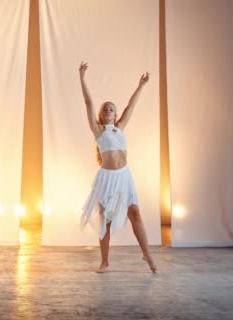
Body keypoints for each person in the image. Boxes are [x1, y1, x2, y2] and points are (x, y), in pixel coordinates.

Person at [79, 61, 157, 273]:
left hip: (124, 176)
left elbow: (130, 106)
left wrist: (141, 85)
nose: (108, 110)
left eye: (111, 109)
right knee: (105, 219)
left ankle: (147, 255)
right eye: (105, 109)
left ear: (115, 115)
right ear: (102, 116)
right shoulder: (98, 131)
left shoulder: (120, 127)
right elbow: (88, 103)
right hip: (107, 177)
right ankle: (104, 261)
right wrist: (82, 79)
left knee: (135, 213)